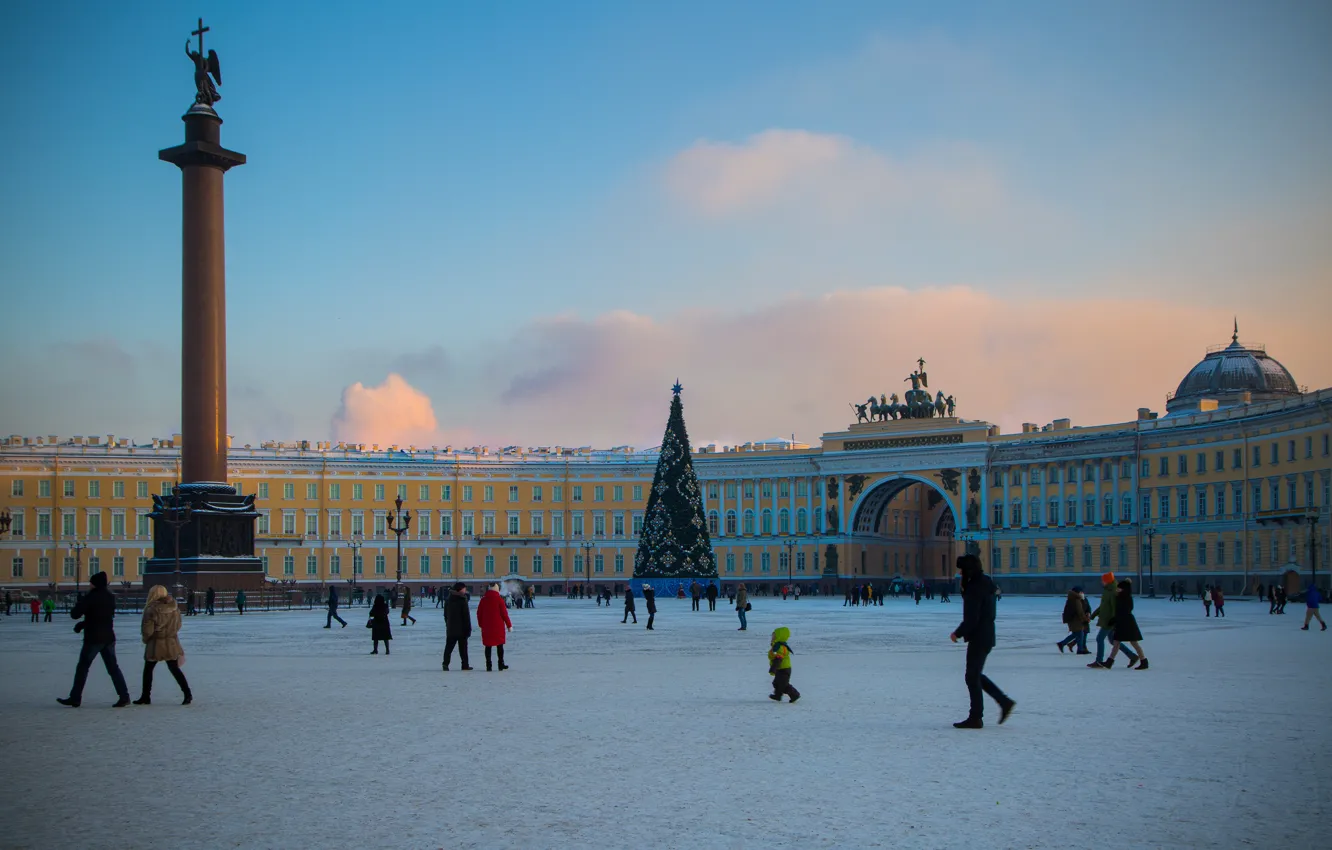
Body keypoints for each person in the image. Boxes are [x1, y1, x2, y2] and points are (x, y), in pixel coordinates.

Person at [949, 554, 1014, 728]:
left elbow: (972, 618)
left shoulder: (974, 587)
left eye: (961, 569)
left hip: (979, 636)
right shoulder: (985, 583)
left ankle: (977, 716)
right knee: (975, 675)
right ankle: (1003, 702)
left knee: (972, 676)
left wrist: (958, 633)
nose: (960, 573)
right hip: (986, 635)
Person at [57, 571, 131, 708]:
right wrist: (84, 624)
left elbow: (75, 614)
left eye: (91, 582)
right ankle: (124, 696)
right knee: (113, 668)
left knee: (83, 667)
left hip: (94, 638)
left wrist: (81, 604)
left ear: (95, 584)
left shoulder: (91, 597)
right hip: (108, 637)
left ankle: (75, 697)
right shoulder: (110, 597)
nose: (89, 585)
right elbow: (101, 617)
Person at [133, 584, 192, 705]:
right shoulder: (174, 608)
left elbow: (147, 630)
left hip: (156, 643)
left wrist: (146, 638)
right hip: (170, 642)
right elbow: (178, 625)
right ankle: (187, 694)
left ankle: (146, 696)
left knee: (148, 670)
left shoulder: (151, 609)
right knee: (174, 669)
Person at [1105, 579, 1148, 670]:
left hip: (1127, 623)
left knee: (1133, 643)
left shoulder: (1126, 598)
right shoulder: (1120, 597)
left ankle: (1144, 661)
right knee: (1116, 642)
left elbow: (1125, 611)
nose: (1117, 589)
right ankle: (1109, 662)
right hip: (1123, 622)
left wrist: (1115, 619)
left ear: (1124, 589)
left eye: (1119, 588)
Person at [476, 583, 513, 671]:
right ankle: (501, 664)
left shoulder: (483, 600)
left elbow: (479, 614)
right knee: (500, 646)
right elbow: (504, 614)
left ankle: (488, 665)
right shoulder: (499, 600)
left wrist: (481, 624)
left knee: (488, 646)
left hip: (486, 627)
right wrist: (509, 625)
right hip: (498, 627)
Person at [1087, 572, 1119, 669]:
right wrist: (1093, 615)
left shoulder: (1113, 591)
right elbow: (1103, 606)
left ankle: (1099, 661)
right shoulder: (1107, 590)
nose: (1102, 582)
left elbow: (1115, 607)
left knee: (1099, 638)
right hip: (1106, 619)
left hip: (1109, 621)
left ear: (1107, 581)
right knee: (1114, 642)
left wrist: (1114, 619)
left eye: (1103, 580)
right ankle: (1132, 656)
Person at [442, 582, 474, 670]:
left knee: (449, 647)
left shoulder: (448, 599)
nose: (465, 590)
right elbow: (466, 616)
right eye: (464, 588)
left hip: (451, 628)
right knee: (463, 648)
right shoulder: (462, 599)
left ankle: (445, 664)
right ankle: (465, 665)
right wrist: (468, 629)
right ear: (460, 589)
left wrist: (448, 623)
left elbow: (445, 615)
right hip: (462, 628)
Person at [767, 626, 800, 703]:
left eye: (774, 636)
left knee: (783, 685)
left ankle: (795, 695)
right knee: (776, 683)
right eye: (772, 636)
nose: (772, 637)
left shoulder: (780, 647)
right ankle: (777, 695)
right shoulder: (776, 646)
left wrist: (773, 669)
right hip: (780, 668)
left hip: (784, 668)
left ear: (779, 637)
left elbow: (778, 659)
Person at [1057, 588, 1085, 653]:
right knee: (1079, 633)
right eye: (1081, 592)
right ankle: (1079, 650)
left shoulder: (1071, 599)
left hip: (1072, 620)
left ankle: (1062, 644)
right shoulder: (1076, 600)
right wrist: (1084, 618)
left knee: (1076, 633)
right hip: (1076, 620)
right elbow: (1079, 611)